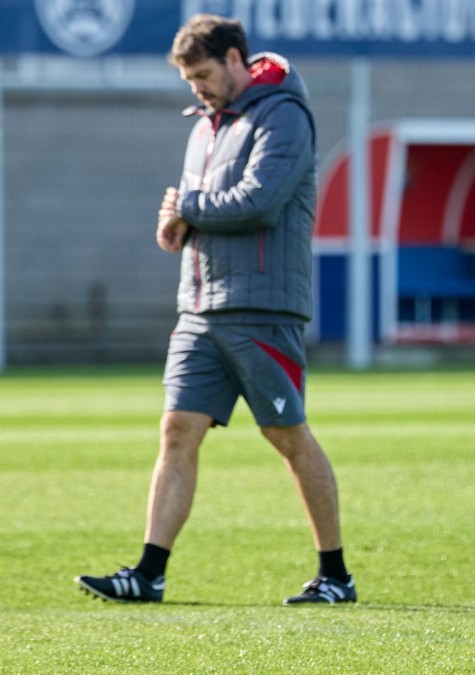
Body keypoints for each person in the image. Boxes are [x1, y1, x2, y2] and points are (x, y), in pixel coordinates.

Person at [75, 14, 355, 606]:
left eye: (202, 74)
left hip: (263, 306)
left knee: (287, 434)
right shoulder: (204, 125)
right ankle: (148, 572)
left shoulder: (283, 113)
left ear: (234, 59)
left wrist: (190, 208)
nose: (196, 88)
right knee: (177, 430)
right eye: (188, 80)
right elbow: (191, 206)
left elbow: (259, 201)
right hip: (201, 305)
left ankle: (335, 575)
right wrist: (172, 223)